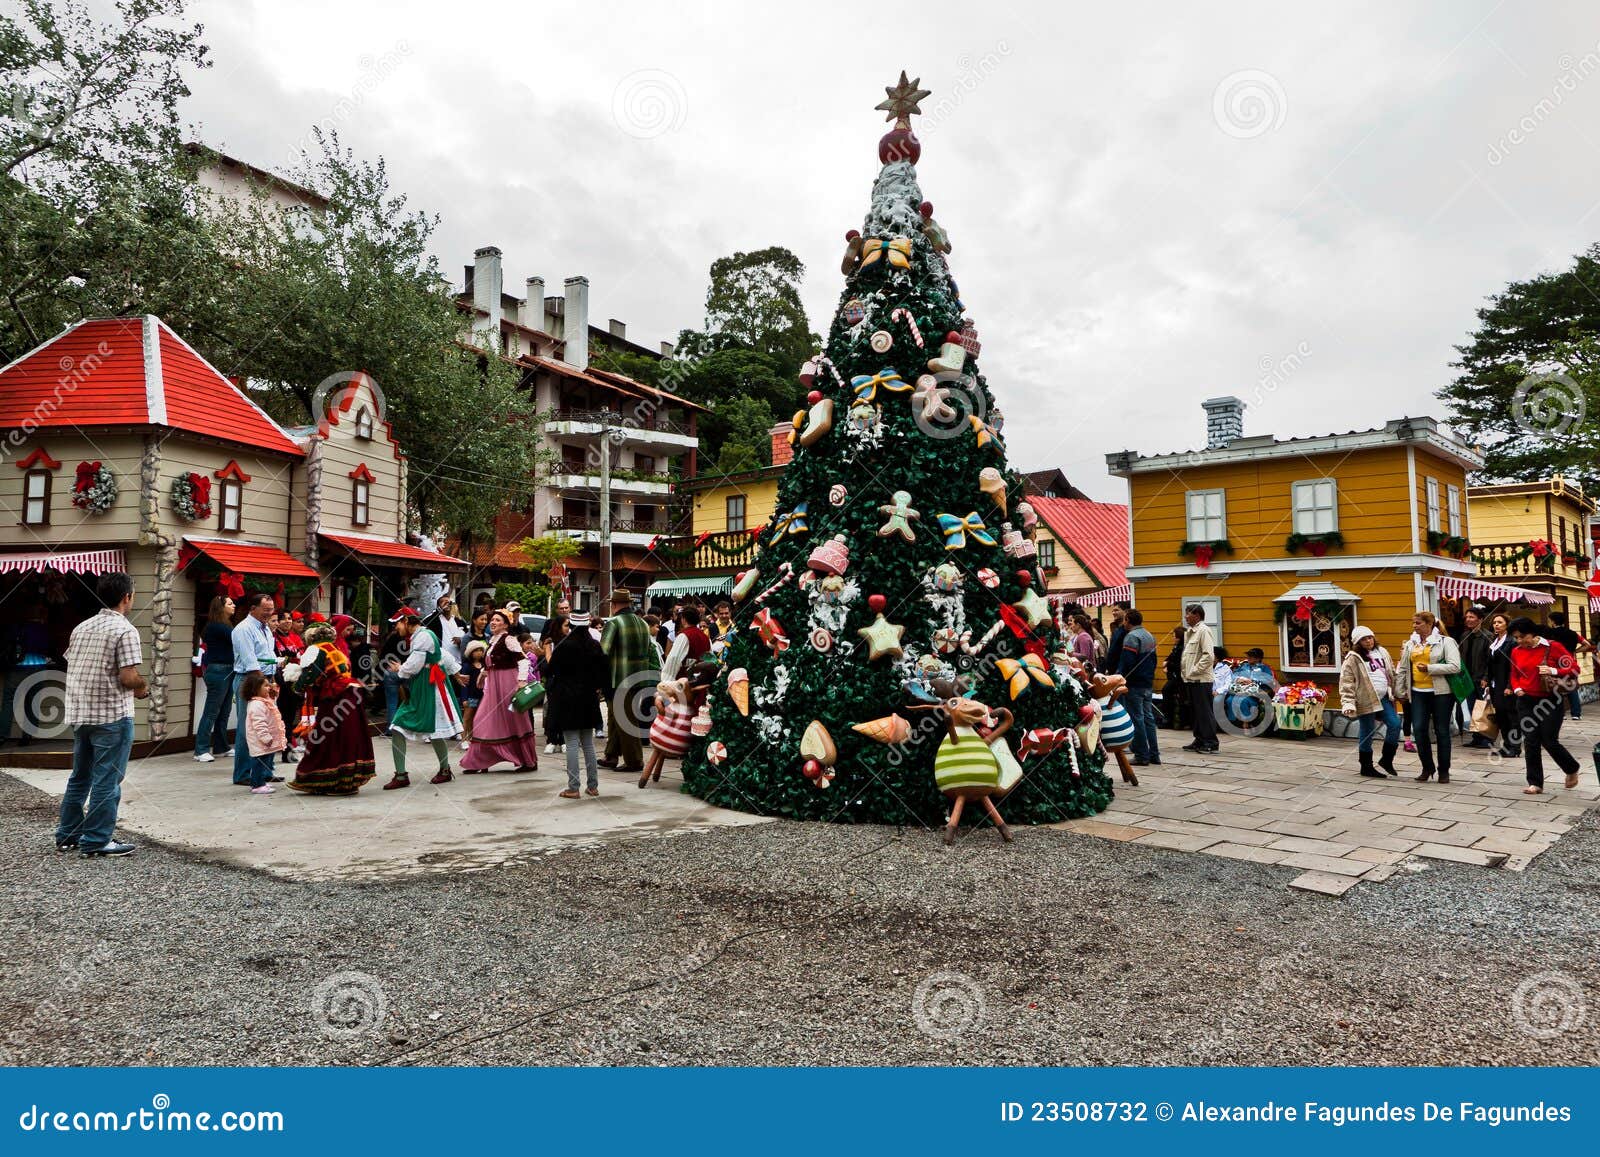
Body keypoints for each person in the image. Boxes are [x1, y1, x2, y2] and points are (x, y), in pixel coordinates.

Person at [55, 572, 148, 857]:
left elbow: (75, 663)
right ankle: (96, 840)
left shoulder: (82, 627)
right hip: (112, 714)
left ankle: (68, 834)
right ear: (126, 597)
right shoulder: (125, 630)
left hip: (81, 711)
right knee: (107, 778)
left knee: (80, 776)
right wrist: (143, 688)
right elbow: (128, 677)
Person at [288, 622, 377, 795]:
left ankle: (328, 779)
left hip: (335, 698)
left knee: (328, 737)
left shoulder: (316, 650)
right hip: (351, 695)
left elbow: (311, 674)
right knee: (349, 736)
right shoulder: (336, 650)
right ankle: (349, 781)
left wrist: (296, 688)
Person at [384, 606, 463, 789]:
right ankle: (434, 771)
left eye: (397, 623)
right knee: (426, 730)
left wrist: (400, 670)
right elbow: (441, 653)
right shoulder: (422, 636)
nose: (396, 628)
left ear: (406, 621)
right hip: (425, 686)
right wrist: (455, 671)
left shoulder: (423, 636)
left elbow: (415, 665)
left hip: (429, 688)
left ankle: (406, 775)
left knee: (415, 728)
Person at [460, 609, 543, 774]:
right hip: (493, 687)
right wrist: (483, 674)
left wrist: (521, 681)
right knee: (482, 720)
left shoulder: (509, 639)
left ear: (506, 624)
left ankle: (528, 761)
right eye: (492, 620)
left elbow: (524, 660)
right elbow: (491, 663)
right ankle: (479, 761)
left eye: (497, 620)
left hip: (507, 685)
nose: (493, 622)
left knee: (516, 722)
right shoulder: (492, 640)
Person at [1507, 616, 1583, 795]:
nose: (1519, 641)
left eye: (1521, 636)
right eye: (1516, 637)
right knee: (1531, 741)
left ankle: (1571, 768)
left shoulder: (1553, 647)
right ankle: (1535, 783)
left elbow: (1574, 669)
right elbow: (1514, 673)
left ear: (1532, 633)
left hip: (1550, 699)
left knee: (1549, 740)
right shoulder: (1517, 651)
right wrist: (1517, 687)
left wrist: (1553, 670)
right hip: (1525, 700)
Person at [1394, 610, 1462, 784]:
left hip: (1441, 693)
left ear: (1429, 624)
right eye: (1413, 622)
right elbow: (1402, 668)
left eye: (1417, 623)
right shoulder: (1411, 644)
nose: (1414, 626)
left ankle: (1444, 771)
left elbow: (1455, 666)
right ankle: (1427, 767)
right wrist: (1400, 691)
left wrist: (1431, 668)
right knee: (1419, 729)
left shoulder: (1446, 642)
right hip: (1418, 693)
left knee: (1442, 731)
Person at [546, 611, 606, 799]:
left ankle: (573, 787)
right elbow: (602, 672)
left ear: (571, 625)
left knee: (571, 743)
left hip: (567, 698)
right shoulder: (594, 645)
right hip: (589, 698)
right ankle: (593, 786)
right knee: (588, 743)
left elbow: (550, 670)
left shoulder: (564, 646)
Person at [598, 590, 656, 773]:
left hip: (618, 678)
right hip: (638, 678)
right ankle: (611, 755)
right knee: (619, 717)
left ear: (614, 604)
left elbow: (603, 652)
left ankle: (634, 761)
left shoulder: (614, 623)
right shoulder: (643, 623)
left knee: (624, 720)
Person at [1339, 626, 1401, 778]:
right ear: (1357, 642)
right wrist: (1348, 703)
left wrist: (1398, 689)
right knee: (1367, 731)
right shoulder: (1352, 658)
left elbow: (1391, 672)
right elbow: (1346, 682)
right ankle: (1366, 766)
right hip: (1365, 698)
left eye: (1370, 637)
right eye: (1364, 639)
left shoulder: (1382, 652)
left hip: (1383, 697)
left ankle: (1387, 759)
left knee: (1395, 724)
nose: (1368, 641)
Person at [230, 594, 278, 786]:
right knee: (247, 728)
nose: (269, 613)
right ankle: (242, 773)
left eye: (271, 609)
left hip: (266, 680)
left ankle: (265, 772)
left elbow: (268, 655)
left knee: (269, 726)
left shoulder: (265, 627)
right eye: (265, 609)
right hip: (251, 680)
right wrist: (264, 687)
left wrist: (272, 682)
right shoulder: (243, 629)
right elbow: (251, 663)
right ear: (253, 608)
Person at [193, 595, 236, 763]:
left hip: (226, 669)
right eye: (230, 603)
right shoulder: (217, 626)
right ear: (221, 607)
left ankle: (221, 746)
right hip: (218, 670)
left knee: (224, 711)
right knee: (211, 711)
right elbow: (237, 640)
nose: (234, 605)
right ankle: (201, 749)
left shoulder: (224, 624)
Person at [1116, 609, 1160, 766]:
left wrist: (1119, 677)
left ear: (1128, 620)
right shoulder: (1149, 635)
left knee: (1137, 718)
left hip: (1134, 683)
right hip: (1147, 682)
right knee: (1148, 718)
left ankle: (1141, 755)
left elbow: (1128, 662)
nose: (1123, 623)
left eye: (1125, 620)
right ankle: (1154, 754)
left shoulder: (1131, 637)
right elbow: (1154, 660)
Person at [1180, 604, 1219, 754]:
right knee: (1195, 711)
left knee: (1203, 711)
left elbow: (1208, 655)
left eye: (1188, 613)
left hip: (1201, 679)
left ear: (1197, 615)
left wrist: (1195, 670)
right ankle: (1200, 739)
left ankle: (1210, 742)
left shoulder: (1203, 630)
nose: (1185, 617)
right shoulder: (1190, 632)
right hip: (1191, 679)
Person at [239, 671, 285, 795]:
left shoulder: (264, 700)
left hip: (266, 740)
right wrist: (265, 737)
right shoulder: (256, 705)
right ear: (255, 689)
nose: (268, 687)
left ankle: (261, 782)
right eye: (265, 686)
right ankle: (257, 785)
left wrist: (274, 690)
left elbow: (273, 698)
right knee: (259, 763)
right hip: (260, 740)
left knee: (265, 762)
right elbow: (259, 724)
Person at [1543, 611, 1593, 719]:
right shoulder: (1573, 633)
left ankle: (1561, 713)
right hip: (1569, 662)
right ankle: (1576, 714)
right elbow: (1587, 645)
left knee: (1556, 686)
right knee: (1571, 686)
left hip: (1555, 663)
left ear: (1552, 621)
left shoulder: (1549, 633)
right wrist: (1576, 651)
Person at [1485, 611, 1521, 758]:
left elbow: (1514, 666)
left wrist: (1510, 686)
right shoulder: (1494, 641)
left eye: (1499, 622)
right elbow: (1489, 664)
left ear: (1507, 624)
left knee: (1512, 717)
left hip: (1507, 684)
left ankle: (1515, 747)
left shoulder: (1511, 642)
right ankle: (1506, 745)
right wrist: (1486, 679)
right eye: (1494, 623)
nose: (1496, 625)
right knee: (1501, 717)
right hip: (1495, 685)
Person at [1457, 605, 1493, 748]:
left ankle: (1486, 738)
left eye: (1472, 617)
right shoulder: (1464, 635)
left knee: (1483, 707)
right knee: (1473, 708)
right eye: (1467, 617)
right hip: (1468, 678)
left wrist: (1486, 677)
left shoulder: (1488, 636)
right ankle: (1476, 737)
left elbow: (1490, 660)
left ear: (1480, 619)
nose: (1468, 620)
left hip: (1481, 678)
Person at [272, 611, 305, 763]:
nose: (287, 621)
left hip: (293, 679)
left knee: (289, 717)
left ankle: (287, 750)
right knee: (281, 717)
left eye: (289, 618)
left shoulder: (295, 637)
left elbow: (301, 655)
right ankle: (282, 749)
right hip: (279, 681)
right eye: (283, 619)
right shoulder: (272, 638)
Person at [457, 639, 486, 747]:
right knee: (467, 718)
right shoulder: (466, 666)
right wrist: (464, 698)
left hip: (481, 696)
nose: (479, 653)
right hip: (471, 696)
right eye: (476, 650)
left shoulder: (484, 666)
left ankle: (474, 738)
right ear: (470, 653)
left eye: (481, 650)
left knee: (477, 718)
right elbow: (464, 684)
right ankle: (464, 739)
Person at [1161, 626, 1189, 731]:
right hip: (1174, 677)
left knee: (1167, 691)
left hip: (1180, 678)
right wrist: (1167, 662)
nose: (1173, 638)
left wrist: (1168, 665)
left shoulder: (1182, 649)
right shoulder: (1176, 647)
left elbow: (1178, 664)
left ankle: (1171, 720)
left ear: (1179, 637)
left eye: (1174, 636)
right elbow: (1170, 658)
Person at [1102, 604, 1129, 675]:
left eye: (1116, 610)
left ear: (1125, 611)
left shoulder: (1126, 630)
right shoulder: (1117, 629)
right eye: (1112, 611)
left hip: (1120, 670)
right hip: (1112, 670)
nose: (1113, 613)